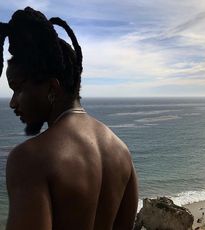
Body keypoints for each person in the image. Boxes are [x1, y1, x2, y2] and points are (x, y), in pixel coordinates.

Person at [0, 7, 138, 230]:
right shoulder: (121, 151)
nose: (13, 102)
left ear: (52, 88)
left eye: (17, 88)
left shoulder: (30, 159)